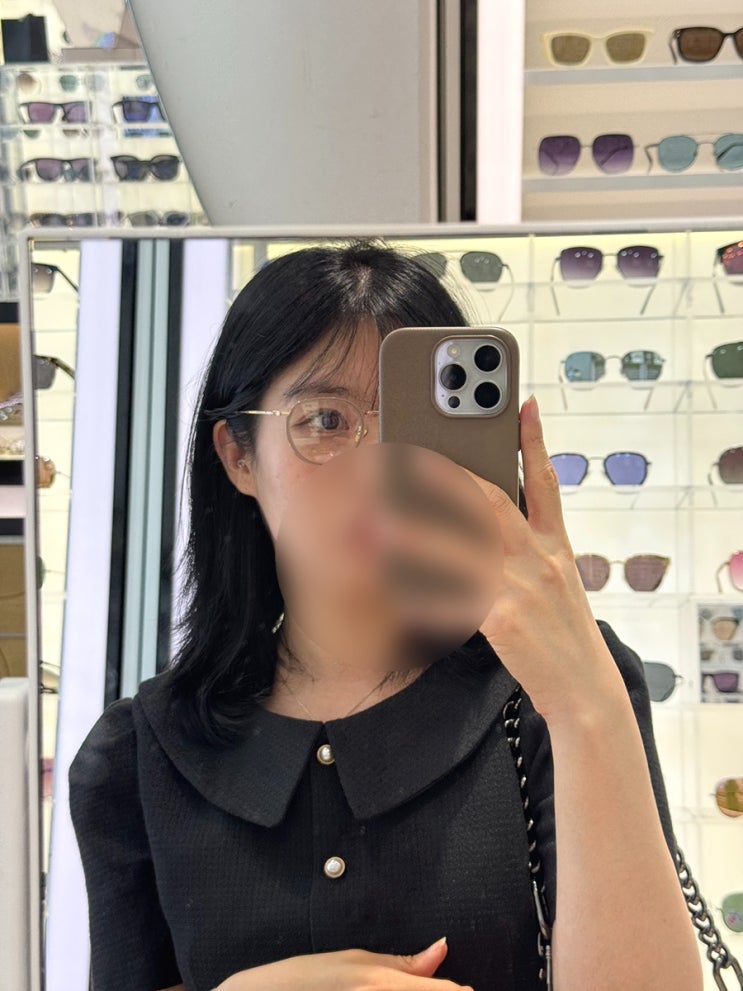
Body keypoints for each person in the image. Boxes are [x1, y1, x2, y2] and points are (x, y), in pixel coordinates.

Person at [69, 241, 702, 991]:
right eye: (325, 419)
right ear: (238, 456)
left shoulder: (555, 692)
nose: (376, 464)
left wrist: (583, 699)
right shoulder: (139, 756)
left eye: (410, 423)